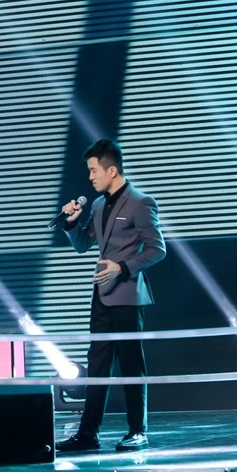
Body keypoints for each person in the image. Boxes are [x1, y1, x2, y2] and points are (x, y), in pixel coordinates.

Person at [56, 139, 165, 453]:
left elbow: (157, 249)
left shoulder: (141, 202)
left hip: (128, 295)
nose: (90, 177)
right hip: (102, 295)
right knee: (97, 366)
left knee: (132, 365)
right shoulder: (97, 205)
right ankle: (87, 434)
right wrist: (72, 222)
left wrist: (123, 267)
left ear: (112, 170)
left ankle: (138, 431)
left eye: (94, 170)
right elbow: (83, 245)